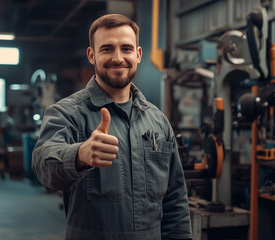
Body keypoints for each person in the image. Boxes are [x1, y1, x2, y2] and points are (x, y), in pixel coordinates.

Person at [32, 13, 192, 240]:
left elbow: (175, 200)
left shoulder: (158, 121)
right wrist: (79, 154)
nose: (118, 58)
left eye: (126, 49)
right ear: (91, 55)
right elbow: (43, 165)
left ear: (138, 55)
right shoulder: (67, 113)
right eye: (107, 49)